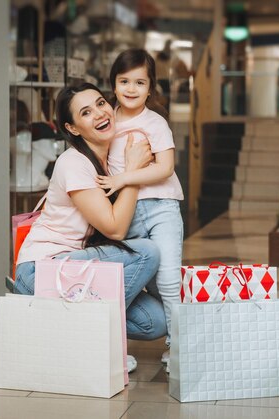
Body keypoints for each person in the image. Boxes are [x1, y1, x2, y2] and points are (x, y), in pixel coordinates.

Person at [14, 83, 167, 372]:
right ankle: (93, 343)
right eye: (86, 112)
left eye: (100, 103)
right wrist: (133, 174)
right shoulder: (73, 162)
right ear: (72, 128)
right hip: (41, 271)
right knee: (146, 252)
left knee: (155, 320)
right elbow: (115, 229)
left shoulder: (108, 162)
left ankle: (72, 332)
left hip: (73, 270)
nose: (99, 113)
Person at [98, 48, 184, 369]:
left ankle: (178, 346)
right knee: (127, 279)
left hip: (162, 207)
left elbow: (164, 167)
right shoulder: (106, 122)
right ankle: (115, 349)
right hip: (126, 209)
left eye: (139, 82)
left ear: (150, 88)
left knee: (169, 278)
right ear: (113, 84)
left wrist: (123, 178)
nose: (131, 89)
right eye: (124, 81)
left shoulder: (155, 122)